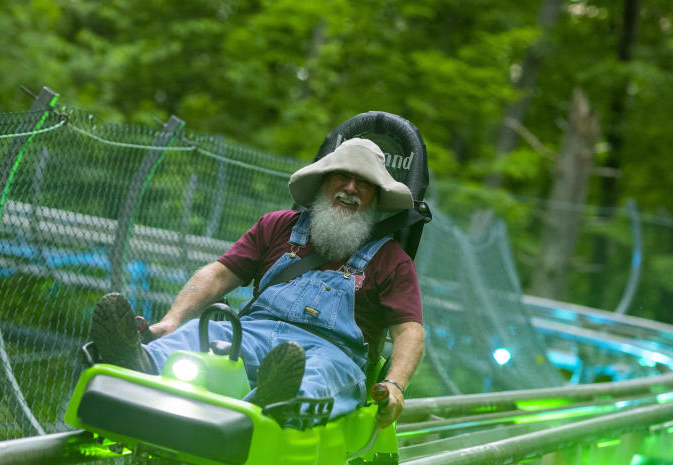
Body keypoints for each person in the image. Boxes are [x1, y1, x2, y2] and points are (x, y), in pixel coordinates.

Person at [88, 137, 424, 429]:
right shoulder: (278, 226)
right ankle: (137, 362)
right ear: (324, 182)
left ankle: (276, 403)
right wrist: (172, 322)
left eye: (362, 183)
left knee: (318, 375)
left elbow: (409, 331)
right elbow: (219, 274)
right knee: (206, 333)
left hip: (330, 353)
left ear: (376, 198)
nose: (350, 188)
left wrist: (395, 384)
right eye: (342, 177)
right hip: (253, 334)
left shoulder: (392, 260)